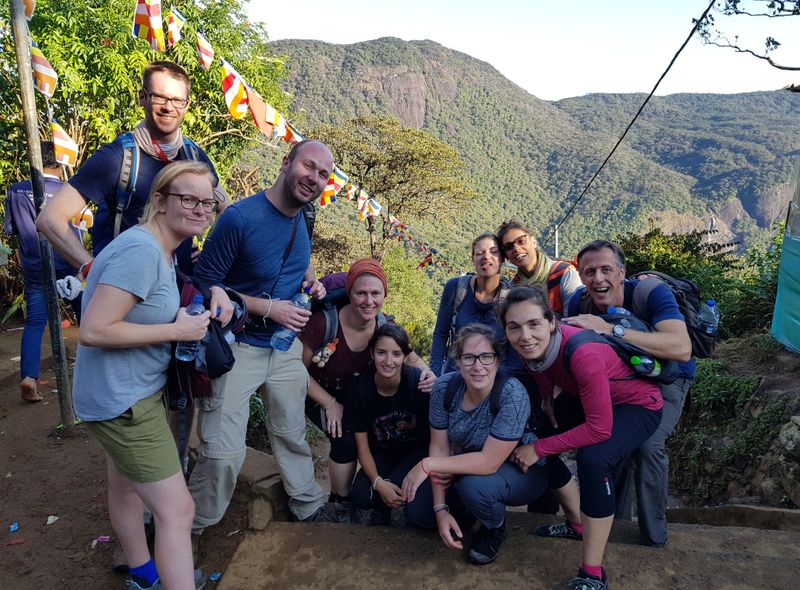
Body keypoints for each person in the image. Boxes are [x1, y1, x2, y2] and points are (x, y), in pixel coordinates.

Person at [72, 161, 230, 590]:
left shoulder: (154, 248)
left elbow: (133, 308)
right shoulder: (142, 253)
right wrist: (176, 329)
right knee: (177, 510)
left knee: (124, 487)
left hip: (113, 393)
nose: (200, 209)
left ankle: (144, 575)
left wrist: (184, 311)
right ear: (159, 201)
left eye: (207, 202)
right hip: (125, 402)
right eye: (188, 199)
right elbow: (94, 330)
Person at [188, 140, 333, 544]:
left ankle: (307, 504)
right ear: (286, 163)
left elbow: (298, 259)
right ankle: (191, 527)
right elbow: (207, 283)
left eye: (324, 174)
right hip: (239, 346)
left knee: (290, 430)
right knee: (222, 452)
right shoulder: (238, 218)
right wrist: (270, 308)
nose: (315, 179)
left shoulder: (305, 216)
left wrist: (310, 280)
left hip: (284, 347)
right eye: (309, 167)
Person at [500, 286, 663, 590]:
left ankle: (592, 574)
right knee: (536, 431)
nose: (525, 335)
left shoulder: (582, 353)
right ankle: (576, 523)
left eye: (533, 324)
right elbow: (537, 369)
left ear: (551, 321)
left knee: (593, 459)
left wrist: (539, 448)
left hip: (638, 405)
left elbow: (599, 429)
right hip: (591, 397)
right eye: (515, 327)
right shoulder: (527, 347)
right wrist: (547, 399)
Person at [36, 61, 224, 279]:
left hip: (176, 287)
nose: (168, 107)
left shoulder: (193, 156)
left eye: (177, 100)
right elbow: (49, 219)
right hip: (124, 290)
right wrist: (92, 269)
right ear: (142, 98)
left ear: (187, 104)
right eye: (159, 97)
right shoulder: (117, 158)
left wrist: (210, 253)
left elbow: (225, 209)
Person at [563, 239, 694, 548]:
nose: (598, 279)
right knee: (611, 442)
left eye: (607, 269)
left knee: (648, 446)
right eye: (589, 271)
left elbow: (681, 348)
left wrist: (612, 329)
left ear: (622, 273)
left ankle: (654, 536)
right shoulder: (578, 304)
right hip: (618, 380)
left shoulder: (650, 294)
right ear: (580, 276)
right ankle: (614, 525)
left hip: (667, 379)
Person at [401, 324, 550, 566]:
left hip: (519, 469)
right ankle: (469, 511)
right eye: (469, 358)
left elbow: (489, 462)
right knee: (419, 514)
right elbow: (439, 446)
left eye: (486, 357)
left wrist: (427, 465)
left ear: (498, 361)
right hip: (465, 464)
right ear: (458, 362)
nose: (478, 366)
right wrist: (440, 509)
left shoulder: (511, 394)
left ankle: (495, 528)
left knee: (475, 487)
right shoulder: (445, 388)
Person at [301, 258, 435, 522]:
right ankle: (340, 503)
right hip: (319, 392)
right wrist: (329, 404)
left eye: (376, 293)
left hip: (357, 398)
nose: (368, 301)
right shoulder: (324, 324)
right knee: (345, 439)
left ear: (385, 294)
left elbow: (406, 355)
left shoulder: (381, 325)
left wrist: (430, 374)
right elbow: (296, 370)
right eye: (361, 293)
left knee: (370, 436)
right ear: (349, 293)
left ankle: (369, 489)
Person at [4, 141, 83, 402]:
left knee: (36, 323)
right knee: (89, 315)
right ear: (60, 164)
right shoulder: (70, 192)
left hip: (36, 267)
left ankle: (29, 378)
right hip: (69, 266)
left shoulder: (16, 191)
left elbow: (11, 231)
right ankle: (93, 370)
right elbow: (80, 231)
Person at [348, 323, 431, 525]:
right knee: (363, 496)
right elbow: (362, 447)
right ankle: (382, 502)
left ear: (405, 357)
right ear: (372, 354)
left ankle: (390, 505)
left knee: (400, 490)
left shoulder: (417, 383)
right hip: (382, 451)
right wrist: (377, 482)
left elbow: (437, 435)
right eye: (381, 353)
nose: (388, 361)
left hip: (417, 452)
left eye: (396, 354)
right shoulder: (361, 389)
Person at [430, 232, 520, 376]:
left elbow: (515, 345)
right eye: (479, 253)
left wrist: (510, 382)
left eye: (493, 252)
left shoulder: (511, 298)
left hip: (496, 381)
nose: (486, 256)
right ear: (472, 259)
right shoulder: (455, 288)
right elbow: (441, 334)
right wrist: (434, 373)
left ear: (502, 258)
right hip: (455, 377)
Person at [496, 219, 581, 317]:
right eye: (509, 246)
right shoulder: (513, 288)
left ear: (533, 242)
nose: (516, 248)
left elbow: (574, 322)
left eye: (521, 241)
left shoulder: (565, 275)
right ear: (506, 255)